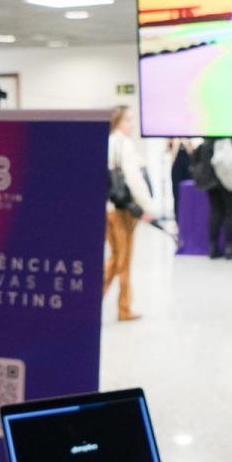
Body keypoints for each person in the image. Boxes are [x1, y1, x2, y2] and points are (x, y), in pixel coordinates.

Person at [104, 105, 154, 322]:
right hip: (122, 210)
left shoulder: (106, 142)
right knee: (122, 260)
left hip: (108, 207)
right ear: (118, 121)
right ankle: (123, 307)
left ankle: (116, 305)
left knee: (117, 257)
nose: (131, 125)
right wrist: (147, 207)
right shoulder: (124, 145)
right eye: (128, 120)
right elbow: (134, 179)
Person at [194, 137, 232, 259]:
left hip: (210, 178)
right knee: (231, 213)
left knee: (215, 211)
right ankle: (230, 248)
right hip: (228, 176)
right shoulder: (231, 135)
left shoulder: (209, 135)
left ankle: (213, 247)